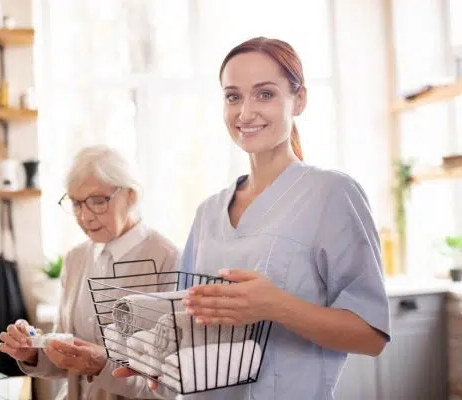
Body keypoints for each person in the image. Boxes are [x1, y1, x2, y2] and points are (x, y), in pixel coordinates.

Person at [113, 37, 391, 399]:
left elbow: (370, 336)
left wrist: (275, 306)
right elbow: (189, 316)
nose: (245, 113)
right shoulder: (209, 212)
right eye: (233, 96)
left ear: (299, 99)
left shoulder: (332, 195)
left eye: (264, 94)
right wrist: (157, 358)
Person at [0, 145, 180, 400]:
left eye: (97, 201)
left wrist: (102, 365)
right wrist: (33, 352)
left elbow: (170, 382)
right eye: (76, 203)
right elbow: (63, 359)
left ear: (131, 195)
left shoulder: (167, 259)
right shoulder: (75, 259)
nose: (85, 217)